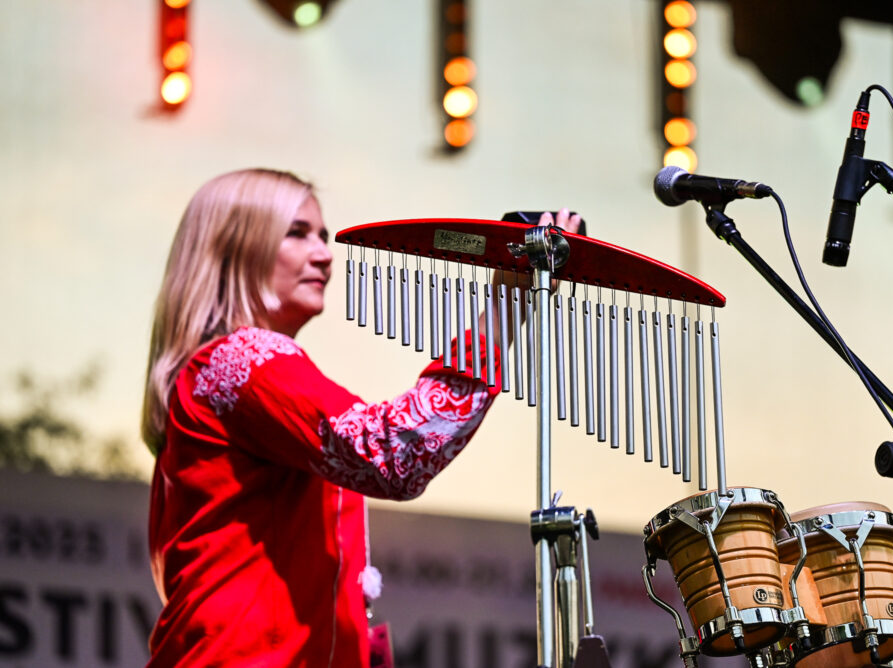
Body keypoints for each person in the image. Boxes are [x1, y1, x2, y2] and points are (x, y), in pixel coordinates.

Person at [141, 167, 580, 667]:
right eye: (297, 233)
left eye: (323, 235)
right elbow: (394, 451)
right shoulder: (240, 362)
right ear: (231, 249)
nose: (324, 254)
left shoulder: (219, 373)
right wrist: (503, 309)